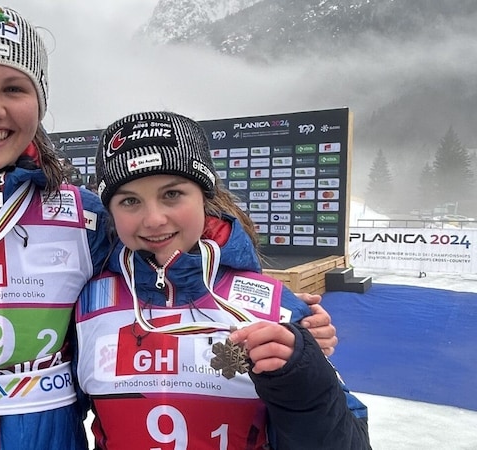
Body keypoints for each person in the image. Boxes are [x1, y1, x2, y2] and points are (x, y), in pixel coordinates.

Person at [0, 6, 337, 449]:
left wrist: (287, 333)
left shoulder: (87, 217)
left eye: (14, 89)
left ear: (40, 102)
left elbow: (170, 277)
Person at [75, 111, 370, 449]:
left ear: (205, 196)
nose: (154, 219)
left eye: (172, 194)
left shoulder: (276, 307)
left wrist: (303, 372)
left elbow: (348, 440)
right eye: (130, 201)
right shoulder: (87, 304)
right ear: (110, 212)